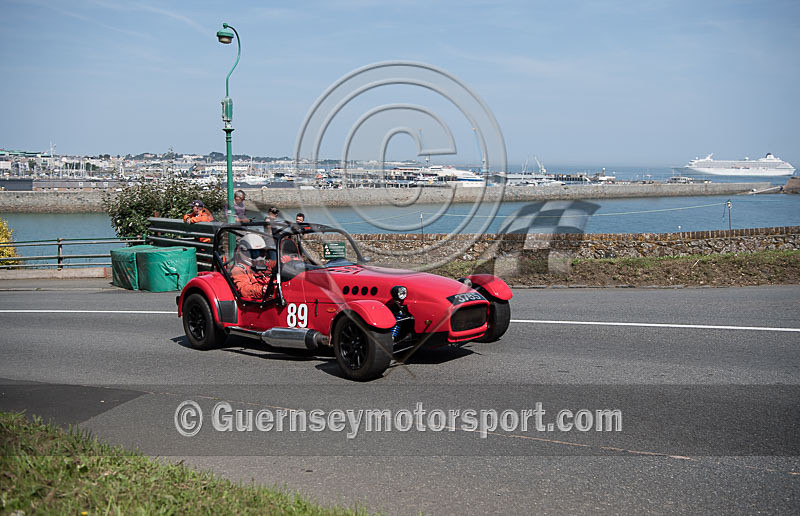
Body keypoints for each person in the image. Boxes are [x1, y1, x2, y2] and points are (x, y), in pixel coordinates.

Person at [230, 233, 276, 300]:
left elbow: (275, 264)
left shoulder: (260, 263)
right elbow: (245, 290)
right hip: (254, 302)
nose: (260, 256)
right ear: (245, 252)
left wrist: (286, 262)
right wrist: (263, 289)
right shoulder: (238, 269)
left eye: (262, 252)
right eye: (256, 253)